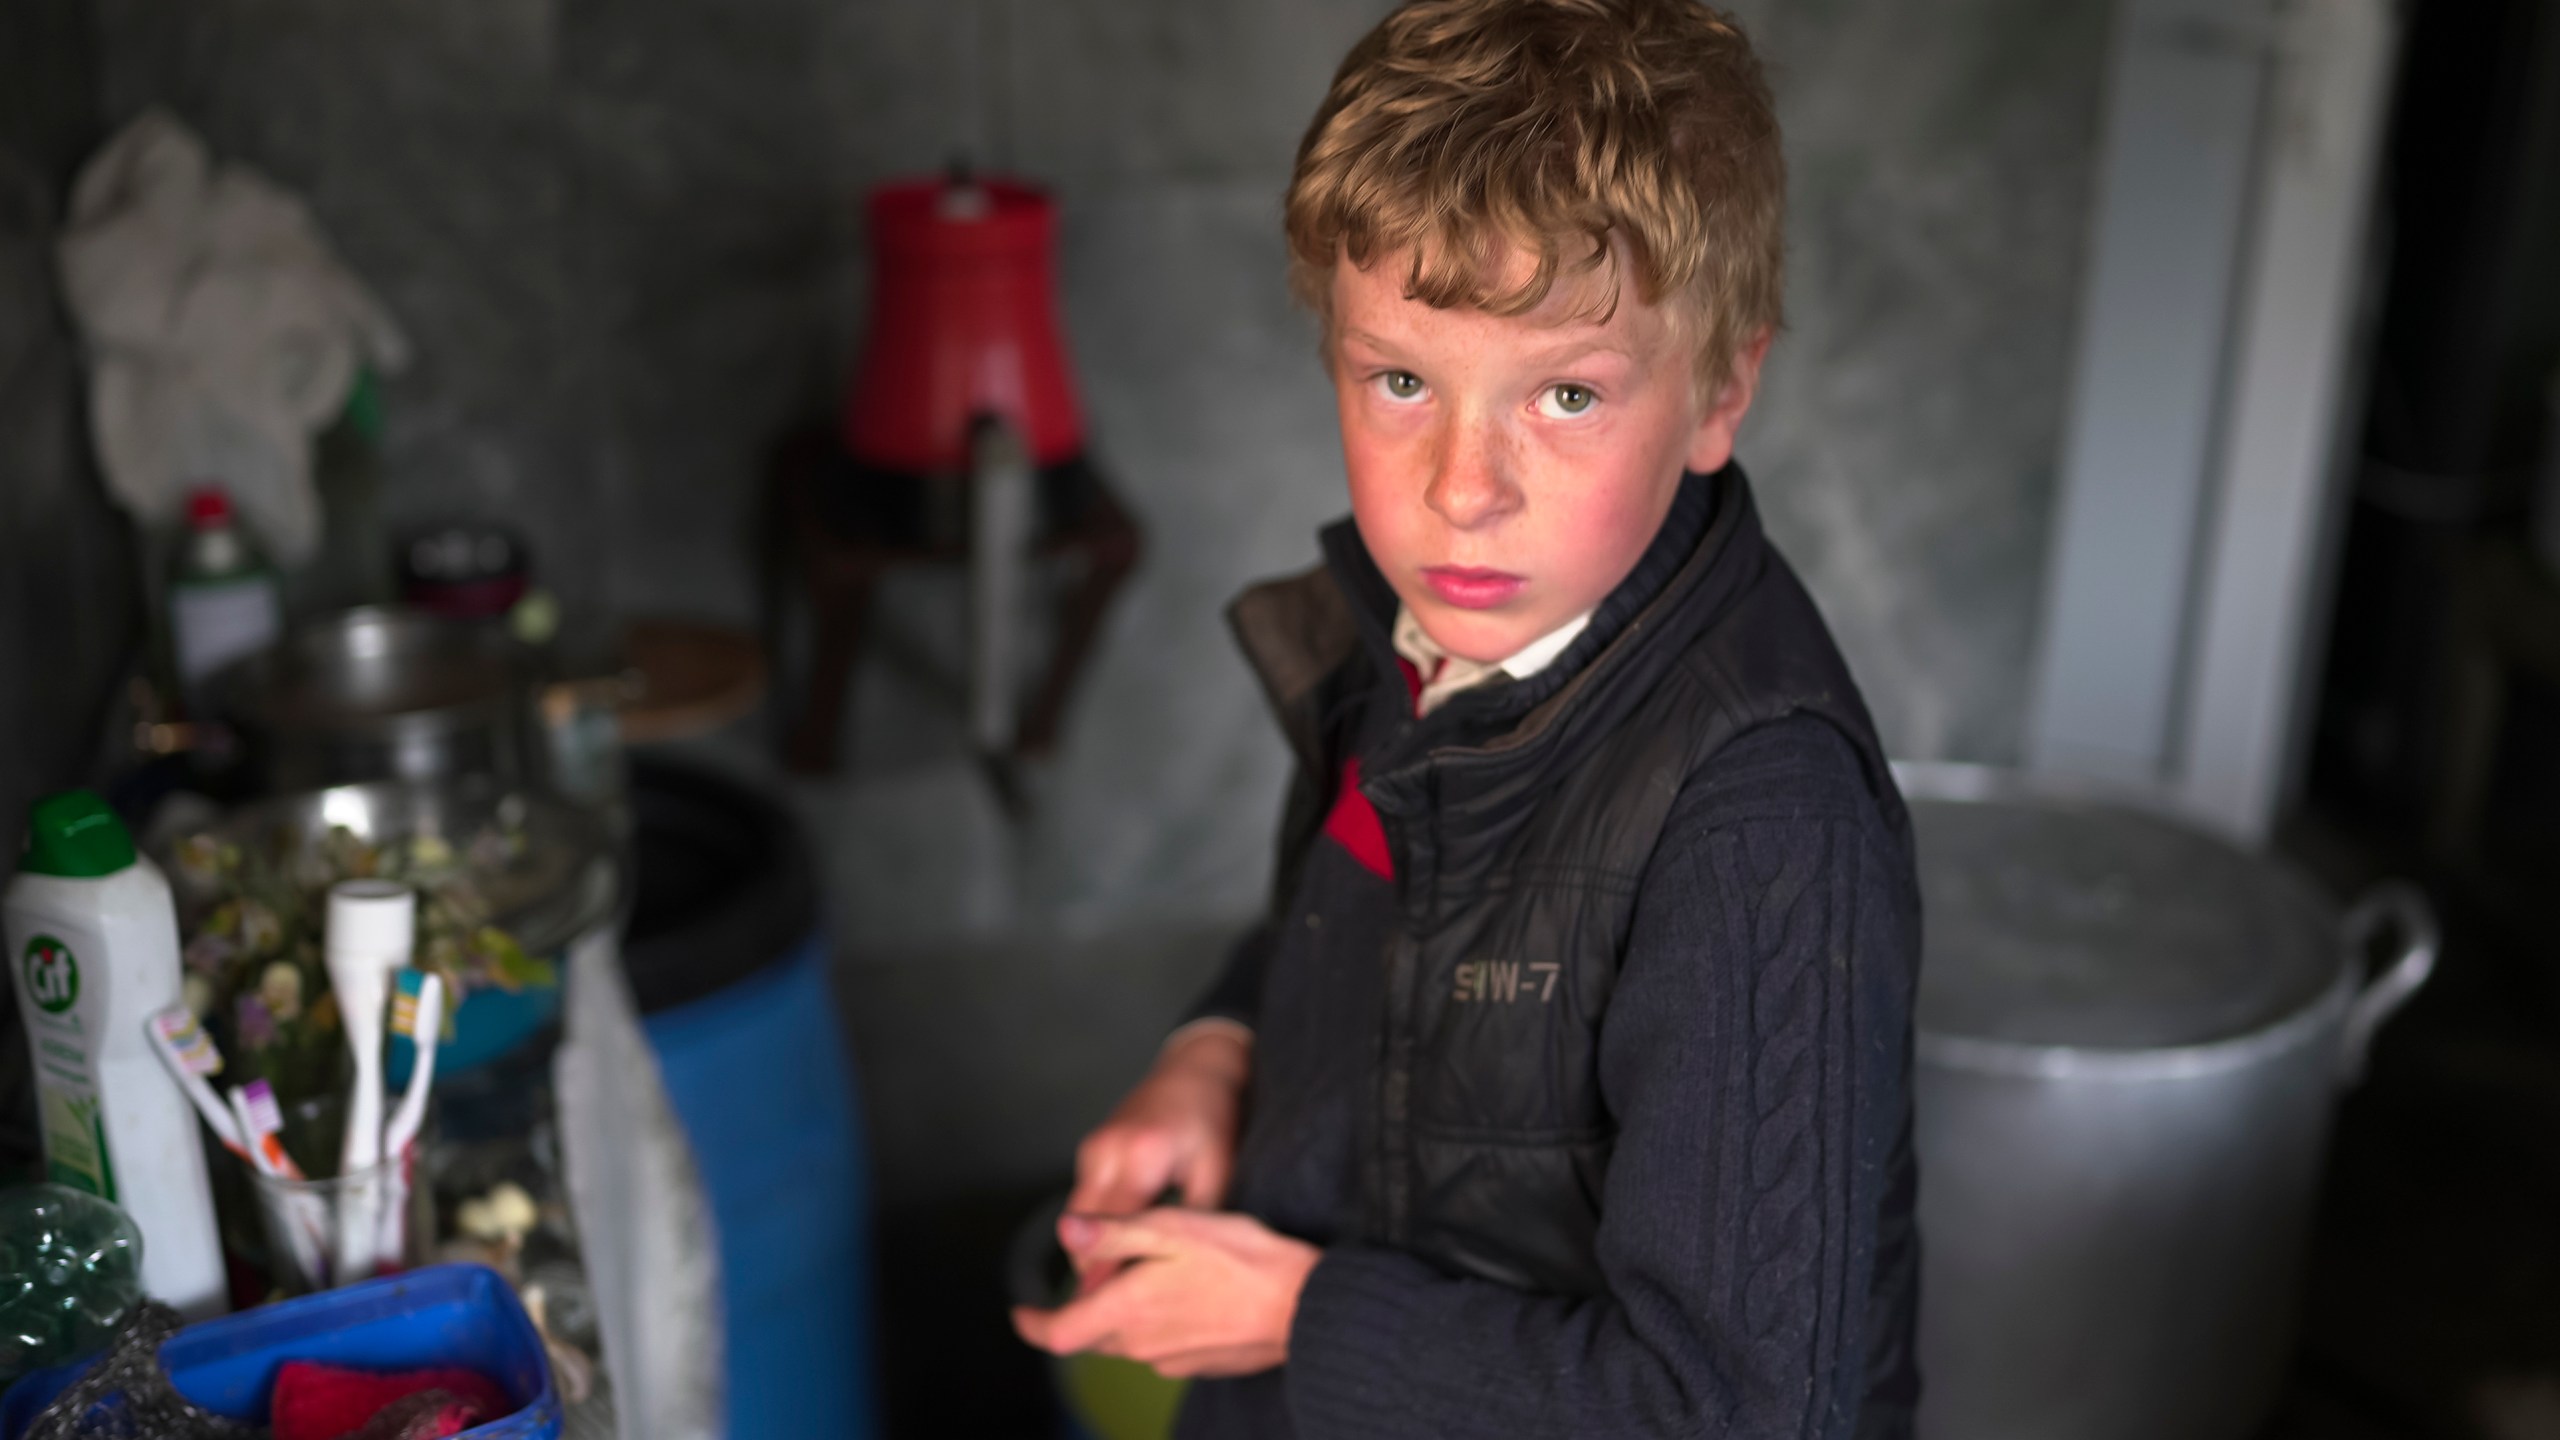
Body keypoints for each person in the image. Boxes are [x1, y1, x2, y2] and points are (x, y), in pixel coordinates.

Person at [1013, 2, 1921, 1435]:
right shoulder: (1443, 634)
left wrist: (1294, 1317)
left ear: (1720, 387)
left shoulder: (1761, 833)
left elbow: (1736, 1413)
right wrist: (1219, 1051)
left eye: (1564, 393)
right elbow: (1362, 922)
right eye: (1401, 382)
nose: (1461, 488)